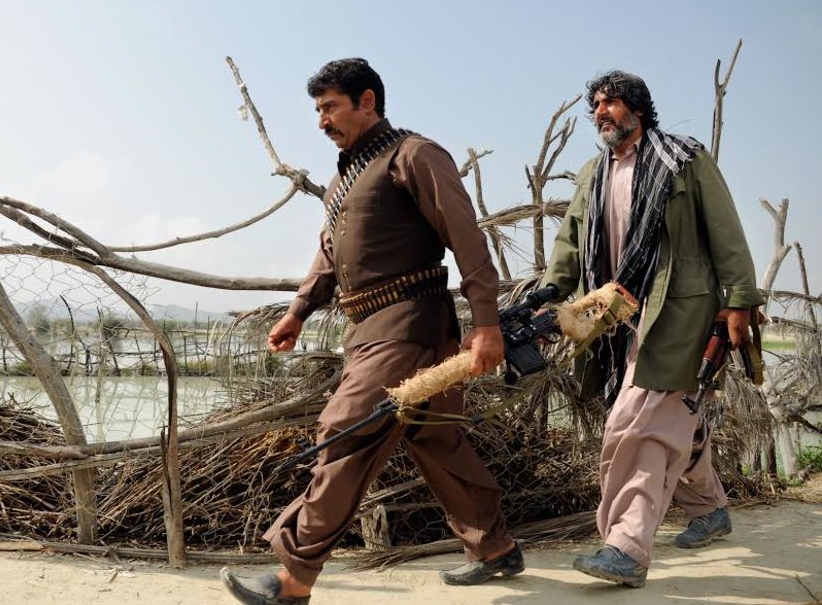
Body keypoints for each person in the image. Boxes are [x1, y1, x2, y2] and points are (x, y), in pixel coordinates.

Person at [220, 58, 521, 604]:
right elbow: (330, 254)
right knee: (437, 440)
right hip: (369, 331)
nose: (321, 121)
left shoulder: (415, 155)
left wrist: (487, 326)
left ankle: (292, 579)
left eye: (330, 107)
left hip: (411, 327)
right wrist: (300, 309)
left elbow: (468, 241)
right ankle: (495, 548)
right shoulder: (344, 177)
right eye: (317, 110)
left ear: (367, 100)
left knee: (345, 432)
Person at [540, 70, 763, 588]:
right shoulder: (594, 172)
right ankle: (709, 508)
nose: (601, 111)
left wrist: (740, 301)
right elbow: (571, 242)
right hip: (613, 318)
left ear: (637, 108)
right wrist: (551, 295)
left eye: (611, 101)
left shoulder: (683, 159)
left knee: (636, 427)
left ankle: (626, 546)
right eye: (595, 104)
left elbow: (725, 230)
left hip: (679, 312)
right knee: (674, 419)